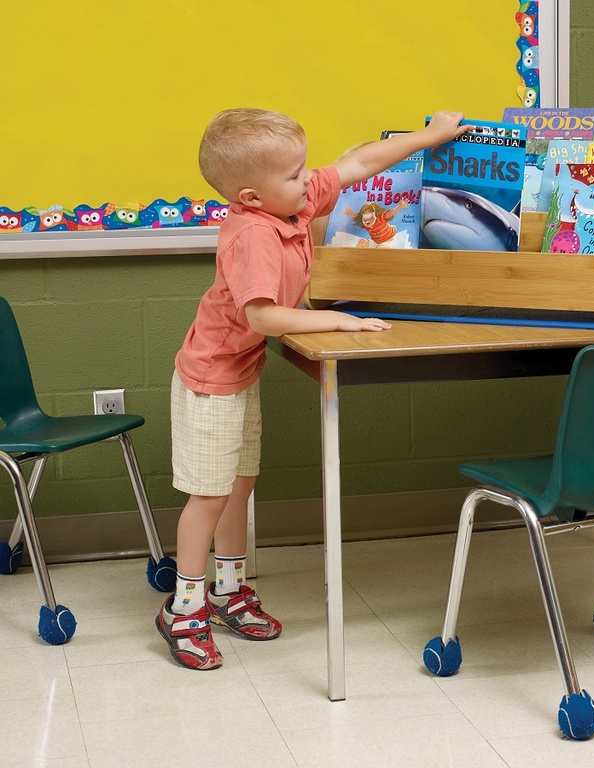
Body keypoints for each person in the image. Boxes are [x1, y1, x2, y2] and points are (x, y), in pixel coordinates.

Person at [156, 107, 471, 670]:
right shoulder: (252, 233)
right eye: (295, 174)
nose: (309, 181)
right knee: (209, 495)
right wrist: (339, 321)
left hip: (239, 373)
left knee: (240, 484)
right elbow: (263, 318)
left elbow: (356, 163)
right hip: (210, 380)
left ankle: (228, 590)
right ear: (252, 196)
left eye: (304, 170)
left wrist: (431, 136)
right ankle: (184, 607)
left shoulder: (292, 202)